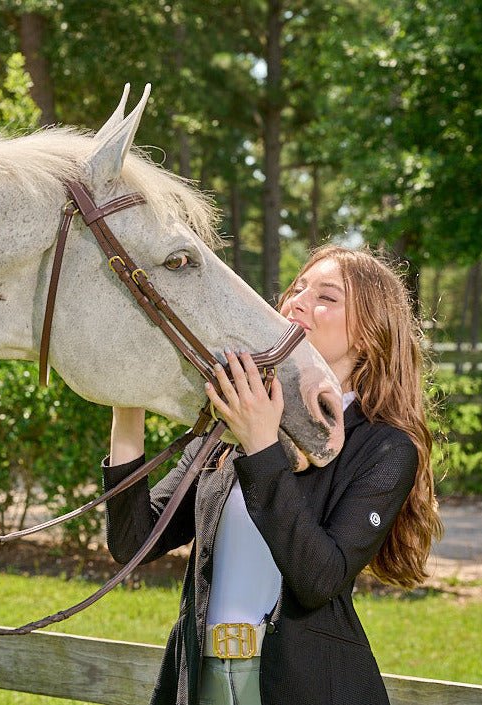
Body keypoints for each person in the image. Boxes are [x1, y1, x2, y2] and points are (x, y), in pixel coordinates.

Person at [102, 245, 443, 705]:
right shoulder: (231, 423)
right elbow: (133, 541)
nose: (297, 301)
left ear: (369, 334)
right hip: (200, 678)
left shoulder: (385, 447)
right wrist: (128, 408)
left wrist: (261, 444)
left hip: (306, 686)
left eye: (327, 296)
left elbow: (319, 578)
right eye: (297, 288)